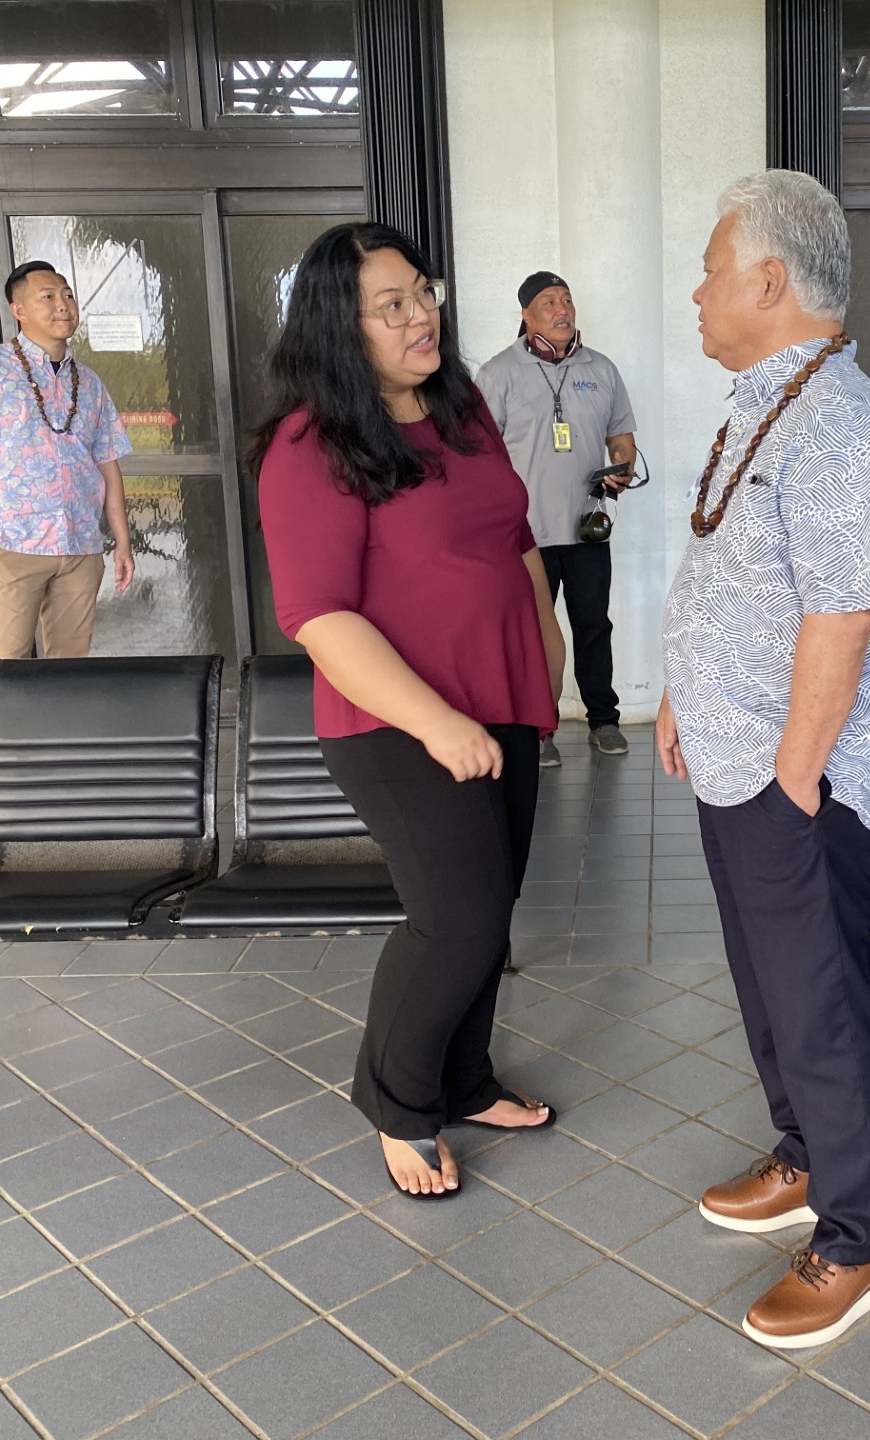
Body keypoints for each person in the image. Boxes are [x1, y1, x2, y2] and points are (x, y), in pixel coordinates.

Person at [659, 170, 870, 1349]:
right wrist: (683, 692)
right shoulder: (771, 398)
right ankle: (808, 1156)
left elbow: (842, 617)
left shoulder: (842, 422)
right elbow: (729, 567)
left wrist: (798, 779)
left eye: (714, 266)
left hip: (791, 774)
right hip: (736, 755)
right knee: (772, 985)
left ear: (769, 280)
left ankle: (858, 1236)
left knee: (818, 999)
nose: (699, 289)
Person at [252, 222, 566, 1199]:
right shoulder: (313, 444)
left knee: (490, 910)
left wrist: (545, 651)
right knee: (456, 918)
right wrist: (437, 722)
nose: (419, 313)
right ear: (340, 330)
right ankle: (396, 1099)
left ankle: (465, 1079)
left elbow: (510, 530)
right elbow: (318, 615)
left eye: (420, 291)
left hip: (499, 700)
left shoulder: (459, 404)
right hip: (396, 721)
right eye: (390, 305)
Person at [0, 261, 135, 737]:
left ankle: (59, 779)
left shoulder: (88, 383)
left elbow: (108, 463)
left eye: (67, 294)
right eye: (48, 296)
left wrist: (122, 543)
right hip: (12, 545)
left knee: (69, 673)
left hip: (78, 548)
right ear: (19, 309)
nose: (62, 304)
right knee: (3, 671)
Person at [477, 272, 638, 765]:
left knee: (593, 625)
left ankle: (603, 721)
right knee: (532, 635)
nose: (563, 308)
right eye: (549, 302)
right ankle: (539, 730)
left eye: (567, 299)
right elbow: (477, 453)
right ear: (526, 313)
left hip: (587, 527)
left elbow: (622, 439)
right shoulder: (498, 373)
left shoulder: (601, 369)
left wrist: (621, 471)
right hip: (523, 536)